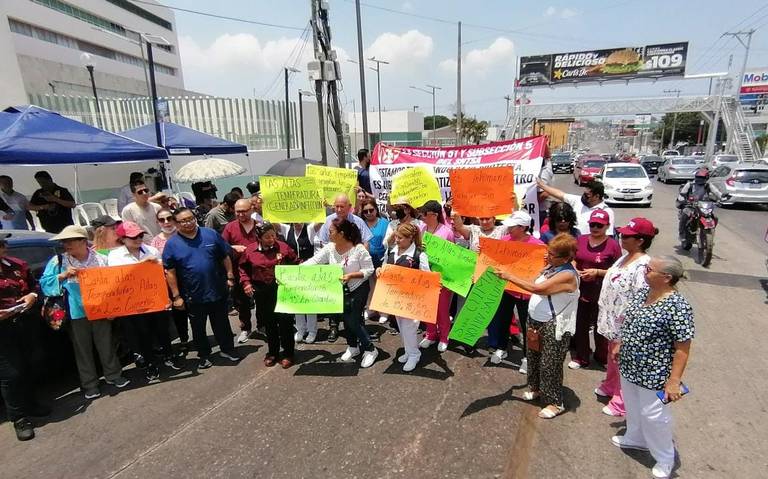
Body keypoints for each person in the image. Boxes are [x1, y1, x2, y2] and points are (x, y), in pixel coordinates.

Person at [612, 256, 694, 479]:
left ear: (666, 278)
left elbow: (682, 348)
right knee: (632, 404)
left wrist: (674, 381)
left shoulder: (678, 306)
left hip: (654, 372)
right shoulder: (643, 293)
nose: (644, 271)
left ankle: (665, 458)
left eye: (649, 269)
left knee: (654, 415)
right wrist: (620, 343)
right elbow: (629, 321)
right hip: (630, 364)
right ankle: (636, 438)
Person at [496, 233, 580, 419]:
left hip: (553, 324)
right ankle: (537, 388)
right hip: (536, 321)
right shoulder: (552, 267)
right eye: (548, 252)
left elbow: (537, 289)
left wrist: (509, 276)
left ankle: (555, 402)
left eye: (552, 254)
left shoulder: (567, 274)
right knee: (533, 357)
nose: (547, 256)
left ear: (565, 257)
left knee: (550, 363)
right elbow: (535, 279)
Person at [40, 226, 129, 399]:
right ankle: (90, 384)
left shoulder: (101, 258)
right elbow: (44, 283)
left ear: (82, 241)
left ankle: (114, 375)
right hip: (76, 312)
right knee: (82, 349)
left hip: (100, 309)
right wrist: (63, 275)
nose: (66, 245)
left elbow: (116, 283)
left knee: (106, 344)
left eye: (70, 241)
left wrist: (113, 308)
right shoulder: (58, 261)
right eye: (64, 242)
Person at [162, 207, 239, 370]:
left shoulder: (210, 234)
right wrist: (176, 296)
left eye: (191, 218)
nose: (189, 222)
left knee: (222, 323)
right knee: (198, 328)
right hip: (192, 294)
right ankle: (204, 355)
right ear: (176, 223)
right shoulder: (172, 244)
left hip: (217, 288)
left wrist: (230, 276)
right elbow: (170, 271)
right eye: (183, 221)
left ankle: (227, 350)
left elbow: (225, 256)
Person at [596, 217, 658, 417]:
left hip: (625, 324)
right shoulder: (625, 257)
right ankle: (610, 385)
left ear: (640, 240)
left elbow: (639, 300)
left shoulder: (643, 266)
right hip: (611, 320)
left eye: (628, 236)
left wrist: (624, 336)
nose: (622, 237)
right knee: (611, 357)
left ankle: (621, 401)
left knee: (622, 360)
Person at [107, 222, 180, 380]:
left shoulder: (151, 250)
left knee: (162, 329)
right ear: (123, 239)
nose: (138, 239)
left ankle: (169, 355)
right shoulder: (114, 256)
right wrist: (142, 265)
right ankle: (150, 364)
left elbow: (161, 275)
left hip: (154, 298)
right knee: (142, 333)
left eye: (140, 235)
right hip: (133, 303)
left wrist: (167, 295)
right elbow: (119, 278)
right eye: (133, 237)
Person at [304, 219, 378, 368]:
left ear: (341, 234)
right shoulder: (330, 248)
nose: (328, 234)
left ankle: (370, 349)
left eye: (331, 231)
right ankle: (353, 347)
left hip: (358, 288)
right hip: (339, 290)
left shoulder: (359, 249)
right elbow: (315, 261)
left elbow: (369, 270)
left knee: (354, 320)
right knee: (345, 318)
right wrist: (294, 271)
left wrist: (351, 276)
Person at [0, 235, 48, 441]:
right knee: (11, 375)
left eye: (3, 243)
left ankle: (32, 405)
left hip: (24, 323)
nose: (4, 247)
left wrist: (32, 296)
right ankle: (19, 418)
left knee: (30, 364)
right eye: (0, 245)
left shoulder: (17, 265)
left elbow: (34, 286)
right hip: (2, 329)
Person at [487, 211, 544, 373]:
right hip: (506, 289)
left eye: (512, 226)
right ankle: (501, 348)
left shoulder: (538, 246)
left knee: (528, 325)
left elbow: (543, 269)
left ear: (523, 227)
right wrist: (482, 250)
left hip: (527, 292)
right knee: (503, 319)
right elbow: (493, 259)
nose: (509, 229)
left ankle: (527, 357)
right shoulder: (504, 241)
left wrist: (545, 260)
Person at [239, 223, 298, 368]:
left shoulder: (283, 248)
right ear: (259, 238)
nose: (271, 239)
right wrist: (246, 283)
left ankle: (288, 353)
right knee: (269, 324)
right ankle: (273, 352)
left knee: (286, 323)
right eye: (267, 237)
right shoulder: (250, 251)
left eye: (273, 235)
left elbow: (296, 263)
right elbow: (243, 268)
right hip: (262, 291)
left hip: (283, 290)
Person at [569, 209, 622, 370]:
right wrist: (576, 271)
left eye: (599, 225)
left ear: (607, 226)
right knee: (581, 325)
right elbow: (573, 260)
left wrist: (598, 272)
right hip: (581, 289)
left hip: (602, 291)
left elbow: (618, 270)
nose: (595, 228)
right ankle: (582, 356)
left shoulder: (613, 245)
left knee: (601, 326)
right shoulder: (581, 239)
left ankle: (601, 355)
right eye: (592, 224)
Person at [378, 223, 430, 372]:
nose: (397, 240)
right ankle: (408, 351)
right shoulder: (392, 252)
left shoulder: (419, 255)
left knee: (410, 327)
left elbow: (426, 277)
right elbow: (384, 268)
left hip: (412, 300)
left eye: (400, 238)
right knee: (401, 326)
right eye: (396, 237)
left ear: (410, 238)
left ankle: (414, 354)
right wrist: (379, 271)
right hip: (395, 298)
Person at [222, 199, 261, 344]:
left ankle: (262, 324)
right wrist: (233, 247)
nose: (240, 214)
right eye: (237, 211)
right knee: (241, 300)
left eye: (244, 211)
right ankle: (245, 327)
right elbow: (221, 246)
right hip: (239, 268)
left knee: (261, 299)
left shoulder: (259, 225)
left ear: (251, 209)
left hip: (259, 269)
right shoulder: (230, 227)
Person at [417, 200, 455, 351]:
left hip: (441, 277)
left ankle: (444, 336)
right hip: (425, 276)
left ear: (434, 215)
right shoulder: (421, 229)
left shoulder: (447, 232)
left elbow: (453, 257)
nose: (422, 217)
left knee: (442, 309)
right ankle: (431, 334)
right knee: (427, 307)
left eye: (424, 214)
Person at [150, 208, 190, 349]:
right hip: (169, 282)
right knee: (178, 312)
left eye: (169, 218)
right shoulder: (154, 242)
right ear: (158, 222)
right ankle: (184, 339)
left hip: (188, 278)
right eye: (162, 220)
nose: (166, 222)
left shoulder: (184, 234)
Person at [280, 222, 319, 343]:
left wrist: (323, 207)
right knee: (297, 301)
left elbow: (321, 221)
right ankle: (301, 328)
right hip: (293, 272)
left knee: (310, 302)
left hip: (309, 270)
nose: (297, 222)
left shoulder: (310, 229)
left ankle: (312, 330)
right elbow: (272, 220)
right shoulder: (286, 229)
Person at [537, 179, 616, 235]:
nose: (584, 196)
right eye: (584, 193)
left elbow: (608, 234)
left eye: (587, 195)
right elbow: (559, 194)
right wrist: (542, 185)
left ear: (596, 196)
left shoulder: (606, 212)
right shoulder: (577, 201)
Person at [359, 198, 388, 322]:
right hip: (365, 260)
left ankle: (383, 312)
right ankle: (370, 309)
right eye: (366, 211)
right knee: (370, 286)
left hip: (381, 258)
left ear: (376, 210)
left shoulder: (385, 223)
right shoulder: (361, 223)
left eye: (371, 210)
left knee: (381, 285)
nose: (369, 213)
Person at [676, 168, 716, 243]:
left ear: (706, 178)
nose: (699, 179)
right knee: (685, 215)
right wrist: (683, 200)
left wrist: (722, 198)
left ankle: (710, 231)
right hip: (691, 206)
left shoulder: (708, 185)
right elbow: (681, 194)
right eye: (698, 177)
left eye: (702, 178)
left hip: (703, 206)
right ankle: (681, 234)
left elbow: (717, 193)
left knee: (714, 217)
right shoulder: (690, 184)